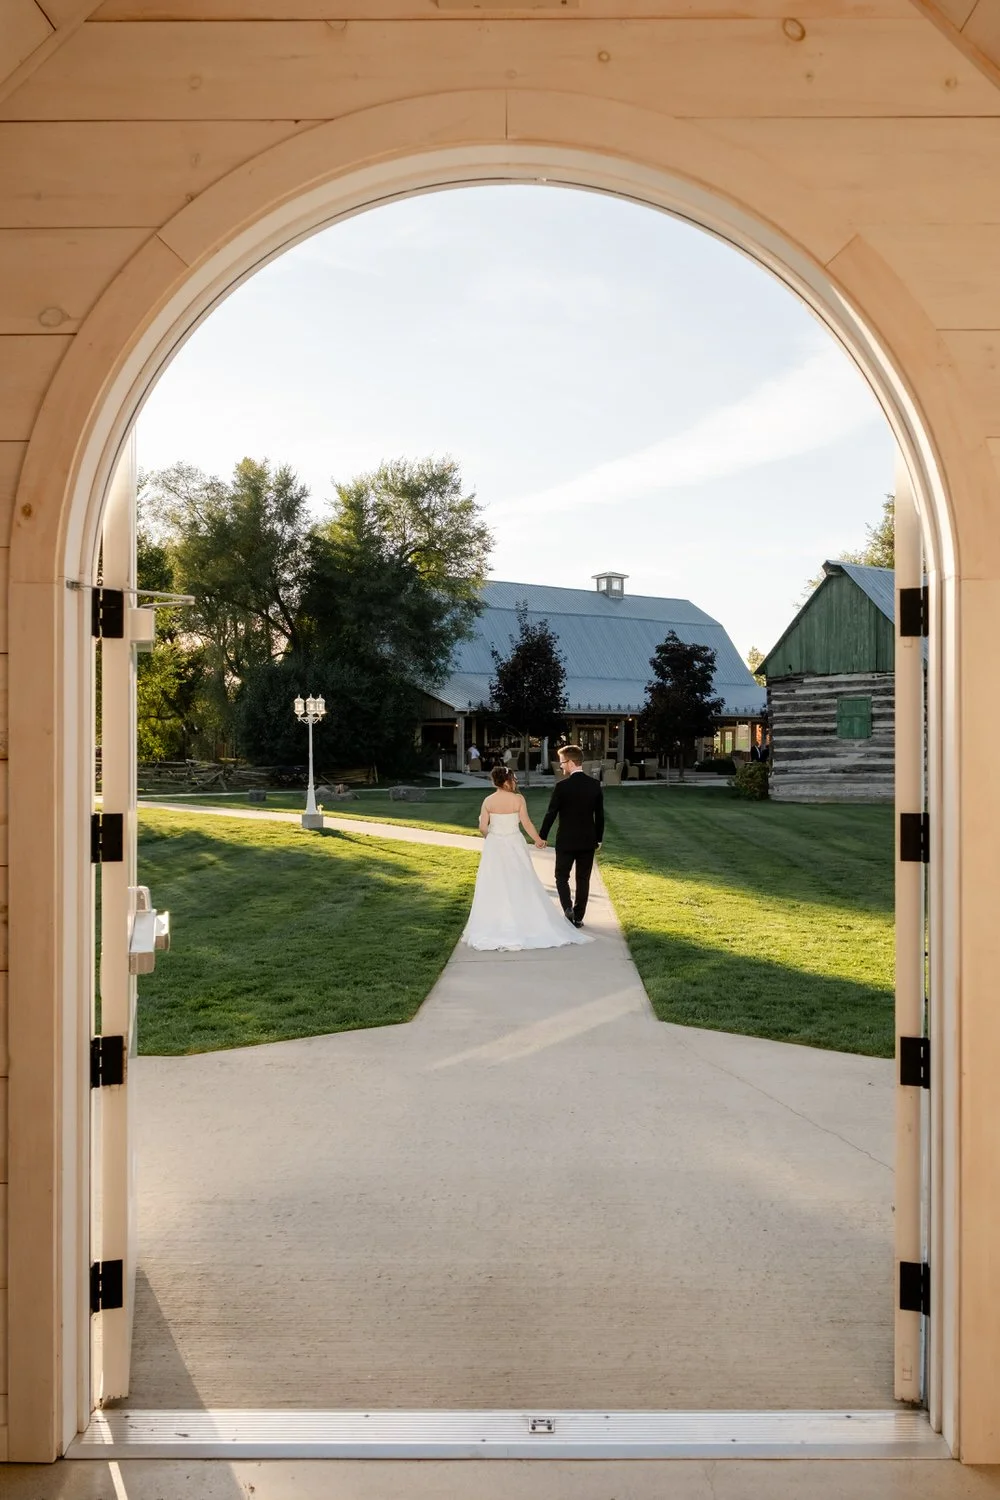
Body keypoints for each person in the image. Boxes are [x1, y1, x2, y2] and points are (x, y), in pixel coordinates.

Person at [462, 766, 591, 952]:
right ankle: (525, 919)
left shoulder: (488, 801)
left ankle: (497, 922)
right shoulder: (518, 799)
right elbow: (526, 822)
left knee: (495, 882)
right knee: (521, 880)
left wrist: (489, 835)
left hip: (495, 845)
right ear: (507, 781)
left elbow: (483, 827)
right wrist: (538, 840)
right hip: (515, 843)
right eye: (513, 778)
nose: (515, 781)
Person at [538, 744, 604, 928]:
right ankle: (578, 916)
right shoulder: (594, 785)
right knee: (583, 879)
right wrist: (598, 838)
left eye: (562, 763)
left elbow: (551, 813)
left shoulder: (561, 786)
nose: (561, 766)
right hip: (587, 840)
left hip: (566, 840)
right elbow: (599, 815)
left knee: (561, 877)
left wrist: (542, 836)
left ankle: (567, 908)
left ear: (571, 762)